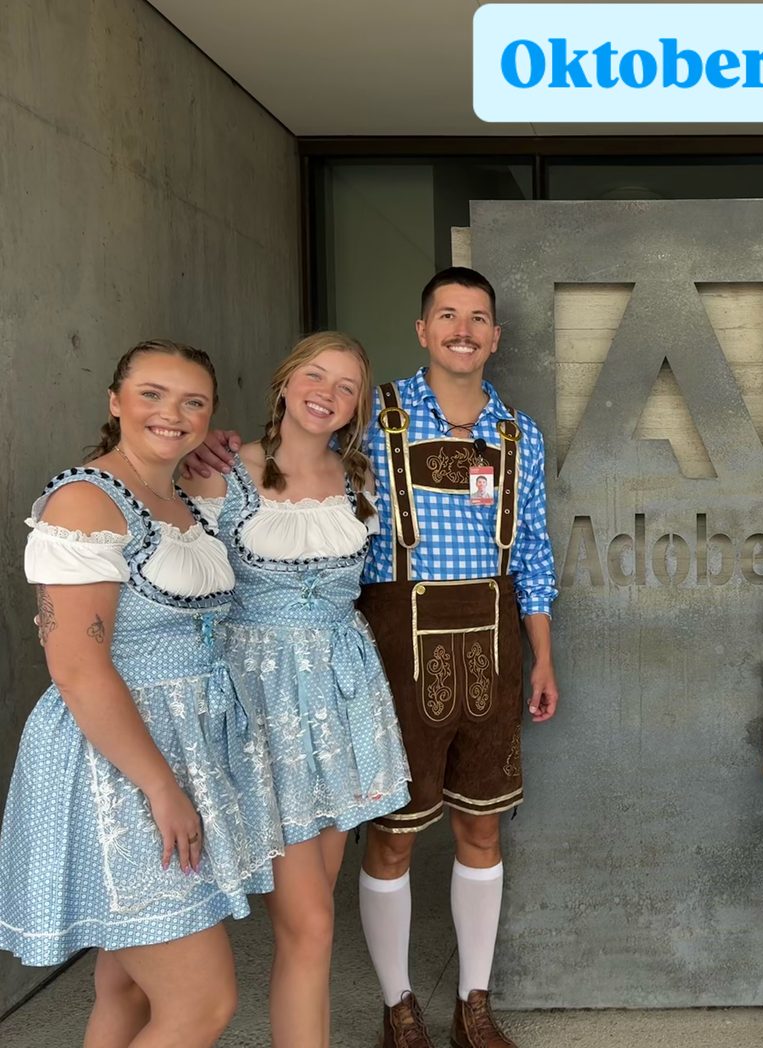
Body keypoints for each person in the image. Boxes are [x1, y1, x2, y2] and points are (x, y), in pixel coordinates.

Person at [193, 267, 559, 1048]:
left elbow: (533, 551)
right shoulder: (370, 417)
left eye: (478, 318)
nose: (463, 329)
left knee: (483, 829)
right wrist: (216, 446)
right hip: (390, 645)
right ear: (423, 329)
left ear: (496, 336)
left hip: (493, 644)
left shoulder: (518, 434)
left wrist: (544, 658)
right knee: (394, 834)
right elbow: (289, 455)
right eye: (447, 315)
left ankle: (474, 1005)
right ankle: (399, 1005)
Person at [0, 340, 270, 1048]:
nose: (171, 413)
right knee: (201, 1004)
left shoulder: (175, 497)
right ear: (115, 401)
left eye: (192, 402)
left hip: (179, 749)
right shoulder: (85, 501)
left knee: (124, 988)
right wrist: (160, 786)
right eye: (152, 394)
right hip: (118, 766)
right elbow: (77, 670)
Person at [183, 331, 411, 1048]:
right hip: (261, 702)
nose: (327, 394)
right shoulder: (223, 473)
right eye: (315, 376)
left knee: (311, 926)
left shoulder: (363, 479)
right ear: (285, 382)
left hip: (342, 698)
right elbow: (179, 582)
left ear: (357, 406)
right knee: (309, 922)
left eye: (346, 386)